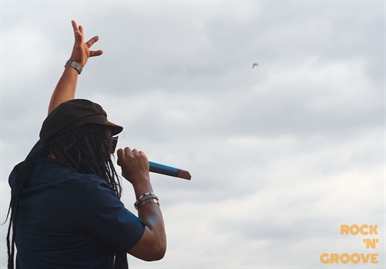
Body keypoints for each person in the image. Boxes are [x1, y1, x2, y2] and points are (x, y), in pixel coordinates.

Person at [6, 20, 166, 269]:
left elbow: (58, 116)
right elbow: (154, 247)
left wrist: (74, 66)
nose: (107, 152)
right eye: (104, 144)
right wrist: (142, 180)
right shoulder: (84, 192)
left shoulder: (29, 172)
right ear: (80, 146)